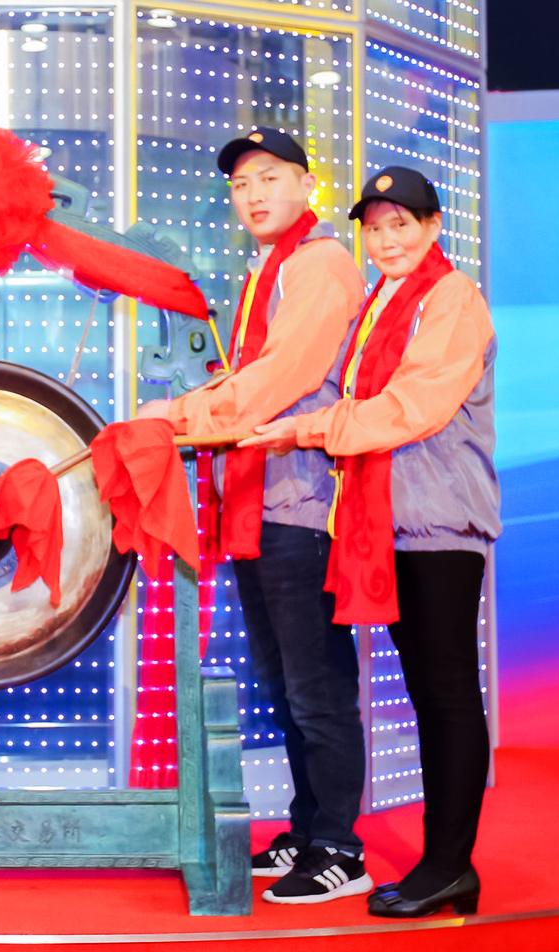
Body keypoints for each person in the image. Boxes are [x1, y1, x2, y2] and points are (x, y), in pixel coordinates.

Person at [240, 165, 499, 918]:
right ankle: (440, 861)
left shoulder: (453, 298)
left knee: (447, 695)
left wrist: (305, 429)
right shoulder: (383, 299)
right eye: (376, 228)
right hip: (387, 524)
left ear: (433, 227)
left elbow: (411, 406)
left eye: (401, 226)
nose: (387, 241)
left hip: (440, 525)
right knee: (428, 695)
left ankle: (448, 865)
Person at [138, 128, 371, 904]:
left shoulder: (321, 264)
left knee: (317, 686)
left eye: (270, 178)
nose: (254, 195)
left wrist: (177, 414)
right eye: (241, 185)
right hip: (256, 502)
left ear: (306, 185)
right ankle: (308, 827)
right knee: (284, 683)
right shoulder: (269, 271)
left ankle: (341, 846)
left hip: (302, 504)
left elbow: (283, 375)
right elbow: (253, 375)